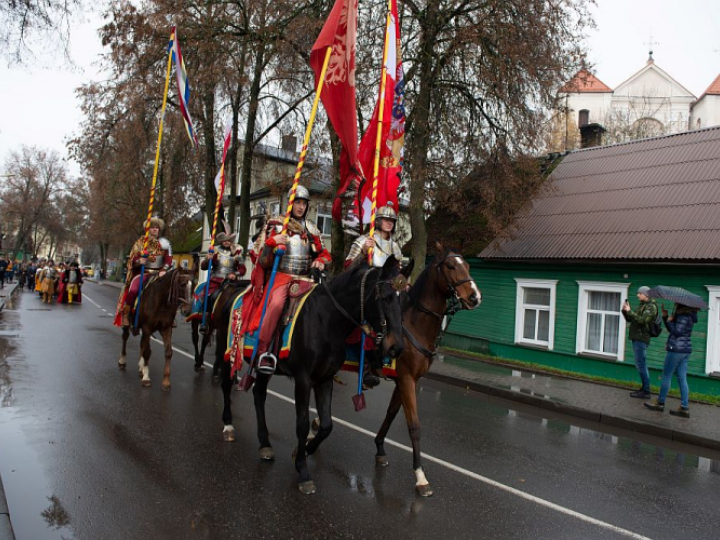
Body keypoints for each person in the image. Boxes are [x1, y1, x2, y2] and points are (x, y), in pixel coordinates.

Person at [250, 186, 331, 374]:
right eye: (297, 202)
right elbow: (261, 259)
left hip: (306, 279)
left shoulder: (312, 229)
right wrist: (272, 243)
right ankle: (263, 350)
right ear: (290, 203)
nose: (301, 207)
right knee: (277, 305)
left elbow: (326, 254)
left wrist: (319, 261)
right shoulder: (277, 225)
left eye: (304, 203)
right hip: (282, 277)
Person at [344, 202, 403, 387]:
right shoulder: (364, 240)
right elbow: (348, 268)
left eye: (392, 220)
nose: (389, 223)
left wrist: (403, 283)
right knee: (366, 323)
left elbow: (398, 275)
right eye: (386, 219)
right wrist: (363, 253)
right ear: (377, 221)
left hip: (387, 293)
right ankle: (368, 366)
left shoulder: (395, 247)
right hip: (366, 291)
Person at [116, 216, 173, 327]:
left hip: (160, 273)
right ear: (148, 229)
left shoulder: (165, 243)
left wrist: (164, 269)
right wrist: (139, 261)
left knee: (172, 291)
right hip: (144, 272)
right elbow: (133, 259)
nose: (155, 229)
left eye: (157, 227)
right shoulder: (141, 243)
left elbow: (169, 259)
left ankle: (169, 316)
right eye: (152, 227)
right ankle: (126, 314)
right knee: (134, 289)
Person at [644, 303, 698, 418]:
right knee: (682, 378)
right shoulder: (689, 315)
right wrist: (666, 317)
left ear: (681, 304)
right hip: (685, 350)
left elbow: (676, 332)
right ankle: (684, 407)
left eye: (677, 303)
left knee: (666, 376)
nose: (675, 304)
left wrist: (668, 320)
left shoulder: (683, 316)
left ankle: (660, 402)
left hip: (676, 350)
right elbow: (676, 331)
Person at [621, 286, 658, 399]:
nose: (638, 295)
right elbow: (631, 319)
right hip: (637, 337)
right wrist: (625, 311)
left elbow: (642, 320)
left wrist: (630, 312)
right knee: (640, 364)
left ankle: (646, 391)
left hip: (642, 338)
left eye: (639, 293)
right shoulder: (643, 305)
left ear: (645, 294)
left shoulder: (651, 307)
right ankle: (644, 388)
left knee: (641, 364)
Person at [199, 229, 246, 301]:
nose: (226, 242)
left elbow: (243, 269)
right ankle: (206, 310)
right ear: (221, 241)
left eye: (228, 240)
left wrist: (235, 274)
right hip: (216, 282)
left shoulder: (237, 253)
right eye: (224, 240)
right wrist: (207, 259)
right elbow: (203, 267)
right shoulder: (215, 251)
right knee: (208, 296)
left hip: (231, 282)